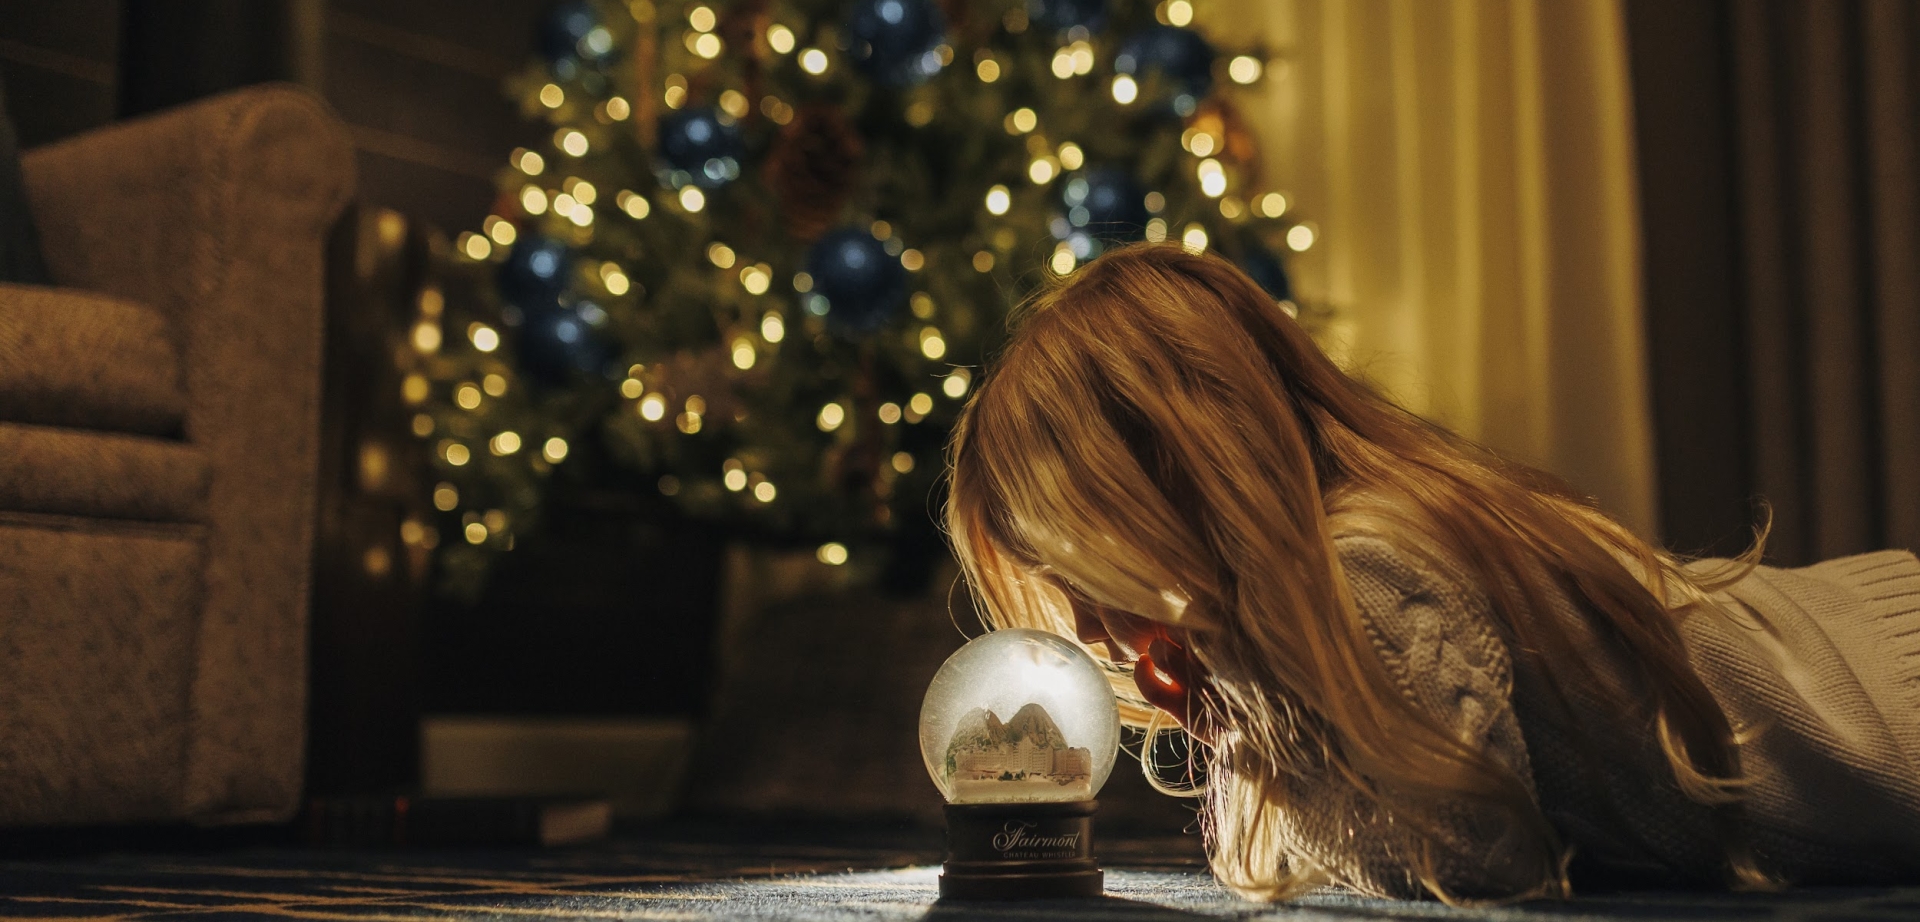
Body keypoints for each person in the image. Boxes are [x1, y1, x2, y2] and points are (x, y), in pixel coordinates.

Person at [942, 243, 1920, 903]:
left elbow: (1467, 857)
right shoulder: (1368, 552)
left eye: (1077, 563)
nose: (1084, 625)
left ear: (1173, 477)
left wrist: (1249, 684)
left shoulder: (1372, 574)